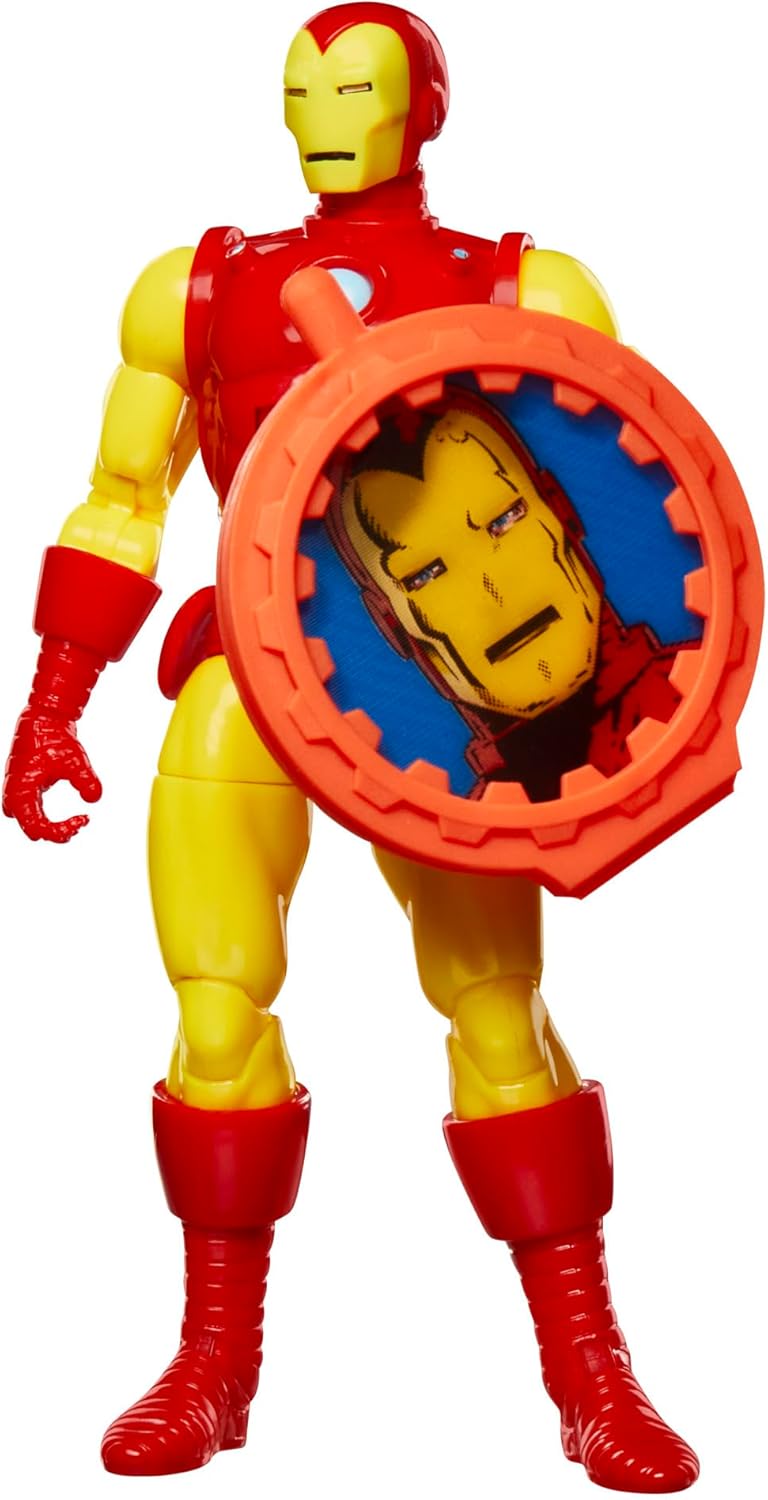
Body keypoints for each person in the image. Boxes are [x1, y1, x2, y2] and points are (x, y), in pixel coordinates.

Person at [3, 4, 698, 1489]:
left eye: (357, 87)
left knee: (499, 1015)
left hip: (444, 708)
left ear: (420, 108)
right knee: (213, 1012)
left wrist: (633, 732)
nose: (326, 114)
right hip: (247, 678)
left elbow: (621, 492)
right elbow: (122, 499)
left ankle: (594, 1375)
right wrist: (56, 695)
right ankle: (212, 1366)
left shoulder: (524, 285)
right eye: (302, 89)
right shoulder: (195, 291)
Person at [330, 393, 689, 800]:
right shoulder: (468, 825)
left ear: (562, 513)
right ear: (390, 624)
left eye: (504, 520)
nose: (493, 590)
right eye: (426, 575)